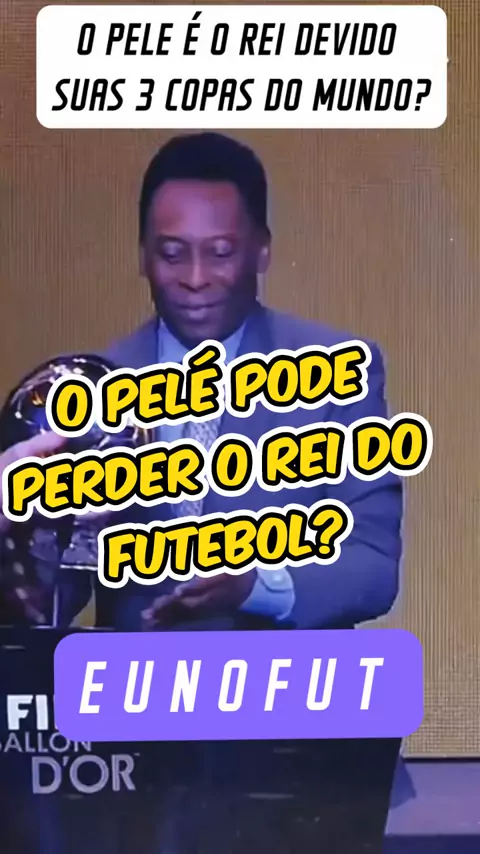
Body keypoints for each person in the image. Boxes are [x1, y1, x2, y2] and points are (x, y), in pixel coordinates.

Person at [88, 131, 403, 633]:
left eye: (220, 253)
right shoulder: (90, 387)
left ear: (262, 252)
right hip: (137, 681)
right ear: (143, 255)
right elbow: (47, 589)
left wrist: (257, 585)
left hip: (285, 682)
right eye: (172, 253)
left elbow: (372, 565)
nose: (195, 278)